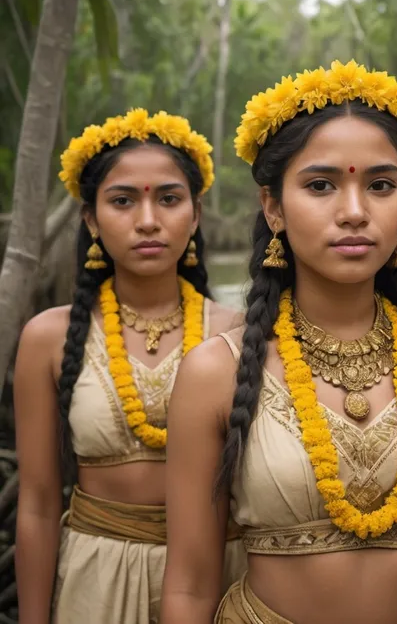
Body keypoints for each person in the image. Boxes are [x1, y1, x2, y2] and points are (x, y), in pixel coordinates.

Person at [161, 62, 397, 623]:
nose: (354, 212)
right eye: (321, 185)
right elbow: (190, 586)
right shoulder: (212, 373)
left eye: (380, 185)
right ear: (272, 207)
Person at [14, 109, 244, 624]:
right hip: (97, 574)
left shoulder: (242, 332)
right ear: (91, 219)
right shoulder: (47, 339)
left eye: (168, 198)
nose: (147, 220)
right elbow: (37, 502)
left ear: (196, 213)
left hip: (223, 574)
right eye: (123, 201)